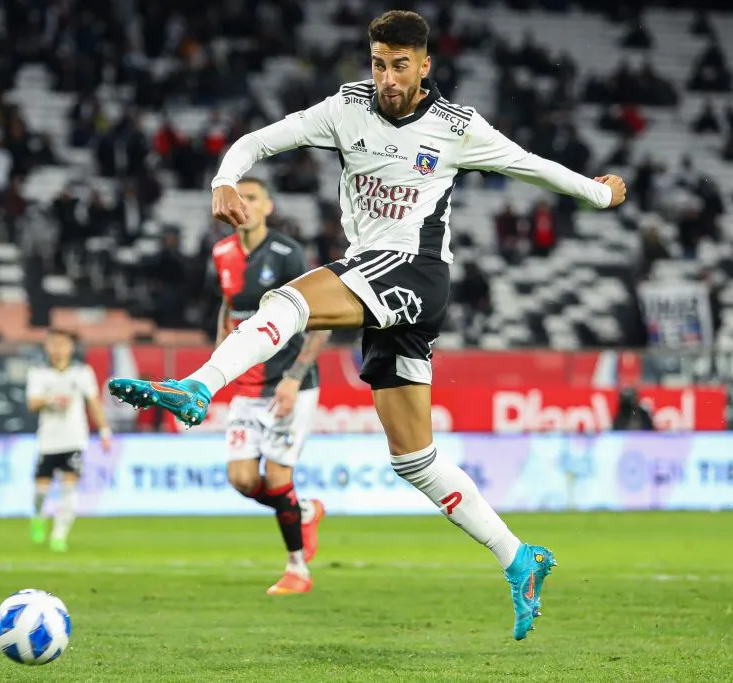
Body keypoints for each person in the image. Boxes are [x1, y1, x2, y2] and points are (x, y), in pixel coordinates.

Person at [110, 9, 627, 640]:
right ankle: (518, 557)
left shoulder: (457, 126)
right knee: (414, 458)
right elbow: (261, 141)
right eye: (379, 63)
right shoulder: (345, 108)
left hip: (417, 271)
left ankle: (198, 387)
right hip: (374, 276)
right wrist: (225, 178)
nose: (387, 76)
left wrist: (600, 195)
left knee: (287, 300)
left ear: (425, 65)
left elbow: (530, 165)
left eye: (401, 65)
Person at [212, 176, 330, 595]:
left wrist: (295, 378)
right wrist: (215, 370)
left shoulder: (287, 253)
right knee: (243, 480)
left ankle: (297, 569)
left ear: (267, 207)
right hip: (247, 385)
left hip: (288, 382)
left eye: (252, 197)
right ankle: (305, 509)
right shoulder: (222, 253)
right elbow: (228, 310)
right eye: (237, 197)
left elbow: (321, 319)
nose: (243, 204)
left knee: (278, 477)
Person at [27, 328, 112, 552]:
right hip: (48, 440)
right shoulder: (39, 373)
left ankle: (59, 535)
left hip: (74, 439)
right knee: (41, 491)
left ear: (70, 348)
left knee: (69, 488)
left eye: (62, 344)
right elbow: (32, 404)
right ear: (47, 348)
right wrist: (51, 401)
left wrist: (104, 430)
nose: (58, 349)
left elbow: (93, 402)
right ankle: (38, 516)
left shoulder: (82, 372)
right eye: (53, 344)